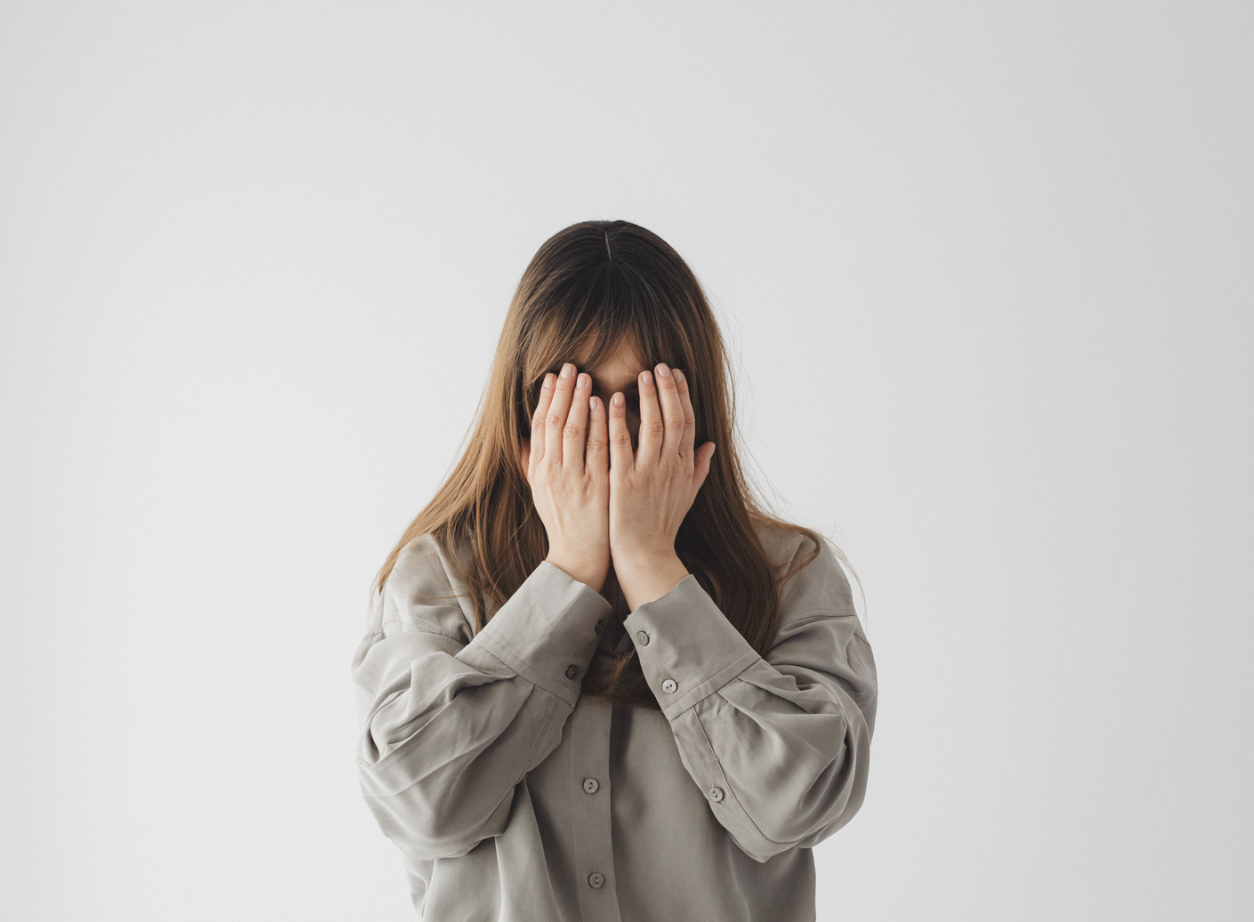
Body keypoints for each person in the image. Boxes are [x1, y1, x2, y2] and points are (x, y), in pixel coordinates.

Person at [350, 219, 879, 921]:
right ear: (524, 410)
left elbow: (802, 803)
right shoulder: (437, 577)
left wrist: (652, 567)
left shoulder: (791, 575)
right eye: (576, 401)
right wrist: (567, 574)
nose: (606, 435)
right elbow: (422, 806)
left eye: (640, 403)